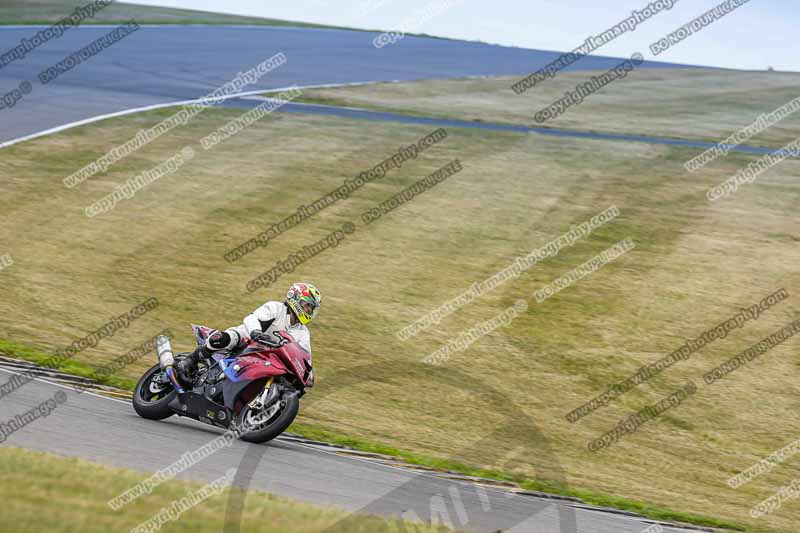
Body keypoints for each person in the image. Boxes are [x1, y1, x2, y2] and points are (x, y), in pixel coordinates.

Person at [175, 282, 321, 385]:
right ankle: (189, 361)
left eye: (311, 308)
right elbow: (253, 318)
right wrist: (256, 332)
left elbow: (304, 355)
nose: (308, 310)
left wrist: (309, 373)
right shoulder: (275, 308)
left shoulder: (303, 333)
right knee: (224, 338)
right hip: (247, 339)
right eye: (307, 305)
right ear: (295, 298)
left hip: (268, 357)